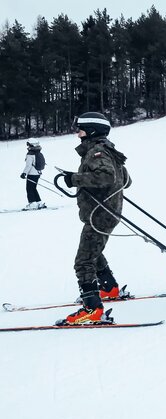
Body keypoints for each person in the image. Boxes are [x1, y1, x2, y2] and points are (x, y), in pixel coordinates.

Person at [58, 112, 131, 325]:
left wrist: (75, 179)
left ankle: (92, 309)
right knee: (94, 253)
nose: (77, 133)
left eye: (80, 128)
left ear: (90, 131)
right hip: (105, 213)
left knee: (83, 261)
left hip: (100, 215)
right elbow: (125, 179)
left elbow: (107, 177)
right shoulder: (107, 150)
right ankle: (109, 287)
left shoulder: (97, 151)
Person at [20, 138, 45, 210]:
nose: (28, 147)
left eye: (28, 145)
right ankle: (39, 202)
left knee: (29, 189)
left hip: (31, 174)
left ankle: (32, 203)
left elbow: (28, 165)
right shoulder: (39, 153)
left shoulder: (30, 154)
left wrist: (24, 173)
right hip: (38, 173)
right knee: (34, 188)